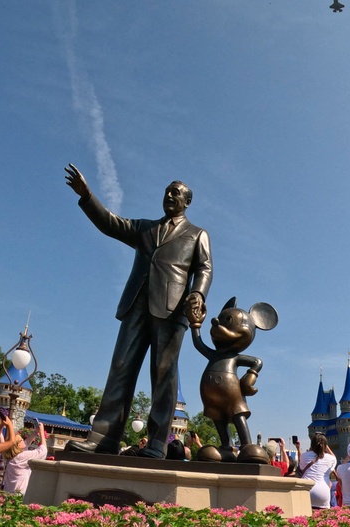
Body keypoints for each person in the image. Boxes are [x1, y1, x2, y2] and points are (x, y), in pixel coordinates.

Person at [64, 165, 212, 459]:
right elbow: (111, 224)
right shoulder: (145, 227)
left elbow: (204, 269)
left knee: (163, 374)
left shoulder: (197, 234)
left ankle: (157, 443)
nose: (170, 195)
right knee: (120, 367)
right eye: (167, 191)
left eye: (177, 193)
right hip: (136, 306)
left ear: (187, 202)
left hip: (172, 311)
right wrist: (87, 196)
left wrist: (197, 294)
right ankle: (104, 438)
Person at [3, 420, 48, 495]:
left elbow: (25, 444)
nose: (23, 441)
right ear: (18, 446)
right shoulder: (21, 457)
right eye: (21, 440)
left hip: (8, 491)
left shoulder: (13, 456)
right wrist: (42, 433)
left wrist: (35, 432)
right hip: (18, 494)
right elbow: (43, 451)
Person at [298, 433, 338, 509]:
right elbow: (334, 458)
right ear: (325, 446)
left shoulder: (304, 456)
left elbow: (302, 468)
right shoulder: (330, 459)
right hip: (322, 494)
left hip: (306, 491)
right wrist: (326, 447)